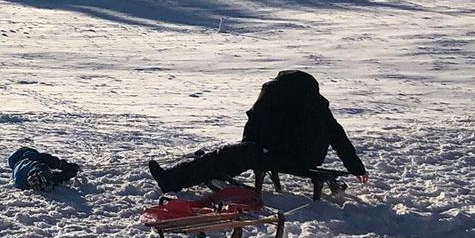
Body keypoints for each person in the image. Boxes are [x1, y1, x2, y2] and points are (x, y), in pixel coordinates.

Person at [147, 70, 367, 193]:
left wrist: (246, 148)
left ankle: (172, 179)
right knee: (236, 154)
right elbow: (339, 138)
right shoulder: (316, 104)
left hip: (285, 155)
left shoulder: (274, 97)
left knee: (234, 154)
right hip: (307, 157)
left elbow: (253, 128)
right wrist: (356, 167)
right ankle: (207, 167)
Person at [8, 147, 80, 192]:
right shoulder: (26, 154)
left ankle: (47, 179)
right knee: (38, 167)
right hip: (28, 169)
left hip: (20, 179)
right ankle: (43, 177)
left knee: (41, 172)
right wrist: (62, 165)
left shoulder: (16, 170)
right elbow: (45, 158)